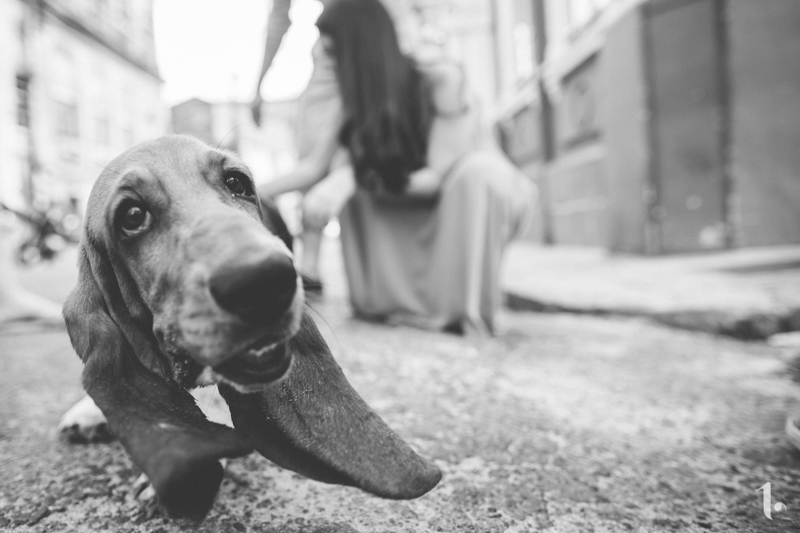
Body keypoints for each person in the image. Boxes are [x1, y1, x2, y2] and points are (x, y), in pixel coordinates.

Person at [259, 0, 536, 334]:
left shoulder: (439, 76)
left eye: (334, 55)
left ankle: (457, 306)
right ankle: (393, 299)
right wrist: (245, 189)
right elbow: (312, 168)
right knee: (347, 178)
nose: (327, 66)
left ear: (359, 49)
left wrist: (353, 177)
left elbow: (436, 179)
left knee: (478, 173)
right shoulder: (352, 102)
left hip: (470, 195)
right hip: (410, 200)